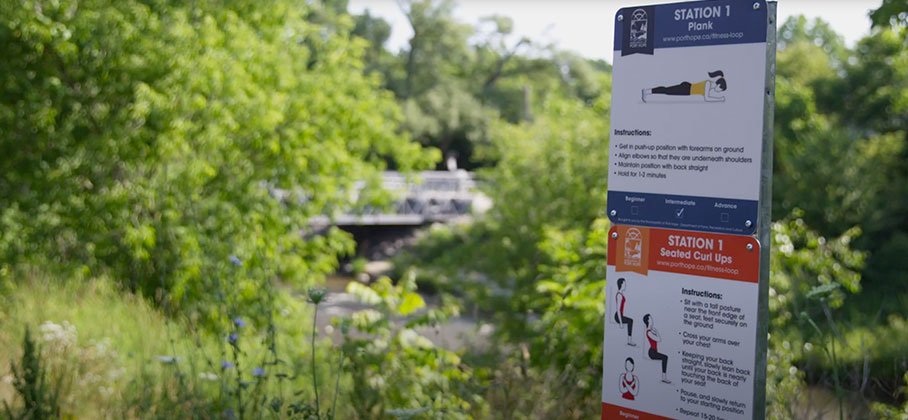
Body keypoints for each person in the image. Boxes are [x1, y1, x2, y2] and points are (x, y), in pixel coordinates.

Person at [642, 70, 727, 103]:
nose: (719, 91)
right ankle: (647, 91)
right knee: (666, 90)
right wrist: (720, 99)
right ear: (719, 85)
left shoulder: (710, 85)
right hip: (686, 89)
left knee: (666, 91)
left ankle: (647, 91)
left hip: (687, 90)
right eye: (720, 89)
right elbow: (707, 98)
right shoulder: (708, 84)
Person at [643, 314, 671, 383]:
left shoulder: (651, 330)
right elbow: (659, 339)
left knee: (665, 357)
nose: (652, 319)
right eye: (651, 318)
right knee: (665, 357)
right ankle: (664, 378)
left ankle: (664, 377)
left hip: (654, 350)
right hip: (652, 353)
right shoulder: (649, 332)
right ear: (648, 321)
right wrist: (656, 332)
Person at [613, 278, 636, 346]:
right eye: (624, 284)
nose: (625, 285)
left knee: (630, 320)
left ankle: (629, 340)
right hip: (618, 316)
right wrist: (620, 322)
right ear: (621, 284)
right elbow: (618, 309)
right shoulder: (619, 295)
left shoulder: (621, 294)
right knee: (630, 321)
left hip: (620, 314)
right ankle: (629, 340)